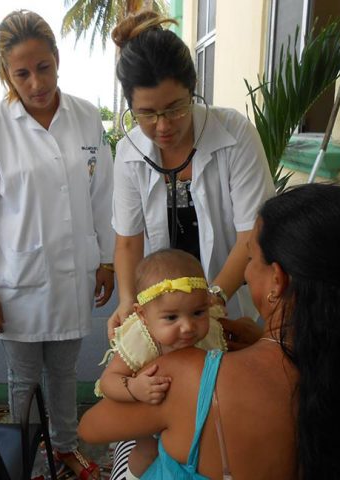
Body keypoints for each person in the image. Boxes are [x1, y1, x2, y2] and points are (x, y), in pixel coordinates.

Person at [79, 182, 340, 479]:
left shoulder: (186, 375)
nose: (246, 272)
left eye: (250, 259)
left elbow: (91, 427)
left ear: (277, 280)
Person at [0, 10, 115, 479]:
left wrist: (106, 258)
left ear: (57, 60)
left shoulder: (87, 118)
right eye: (21, 73)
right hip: (15, 282)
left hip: (74, 273)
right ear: (6, 73)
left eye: (43, 67)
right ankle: (24, 456)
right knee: (23, 378)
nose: (35, 82)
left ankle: (65, 447)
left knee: (66, 372)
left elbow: (103, 194)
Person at [107, 11, 275, 338]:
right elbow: (128, 242)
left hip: (229, 304)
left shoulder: (235, 135)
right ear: (130, 105)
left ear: (193, 88)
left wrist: (211, 301)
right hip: (163, 317)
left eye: (175, 108)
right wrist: (128, 301)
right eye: (147, 113)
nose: (164, 125)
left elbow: (251, 235)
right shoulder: (130, 154)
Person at [96, 249, 226, 480]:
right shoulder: (142, 339)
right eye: (171, 318)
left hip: (189, 412)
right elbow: (109, 381)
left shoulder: (210, 332)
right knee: (147, 450)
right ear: (143, 315)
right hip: (149, 409)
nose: (187, 327)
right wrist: (134, 388)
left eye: (197, 312)